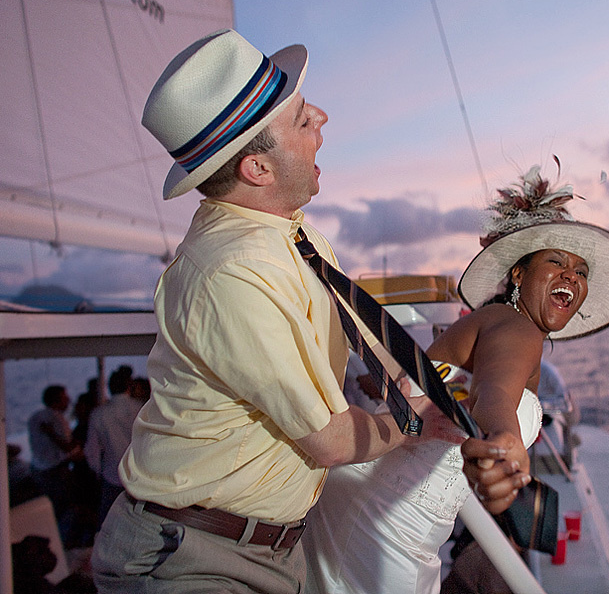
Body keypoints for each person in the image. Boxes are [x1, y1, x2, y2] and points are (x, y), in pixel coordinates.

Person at [90, 29, 461, 593]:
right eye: (301, 119)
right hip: (190, 558)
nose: (323, 118)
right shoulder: (230, 272)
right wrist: (414, 424)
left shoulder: (295, 235)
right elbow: (332, 441)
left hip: (267, 546)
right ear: (257, 170)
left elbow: (350, 330)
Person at [303, 164, 609, 593]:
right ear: (518, 274)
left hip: (351, 505)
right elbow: (494, 393)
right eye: (555, 261)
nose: (571, 276)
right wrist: (504, 437)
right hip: (387, 539)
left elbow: (428, 388)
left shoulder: (484, 324)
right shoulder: (516, 328)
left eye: (581, 272)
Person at [84, 367, 144, 526]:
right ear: (128, 387)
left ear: (109, 387)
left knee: (108, 523)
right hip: (141, 476)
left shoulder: (98, 414)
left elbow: (92, 451)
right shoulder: (142, 409)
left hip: (113, 475)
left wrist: (99, 471)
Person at [28, 385, 82, 546]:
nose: (69, 401)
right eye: (65, 398)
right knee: (64, 510)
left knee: (50, 510)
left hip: (38, 470)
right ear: (57, 400)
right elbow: (68, 447)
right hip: (55, 472)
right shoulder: (57, 419)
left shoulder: (34, 417)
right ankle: (62, 544)